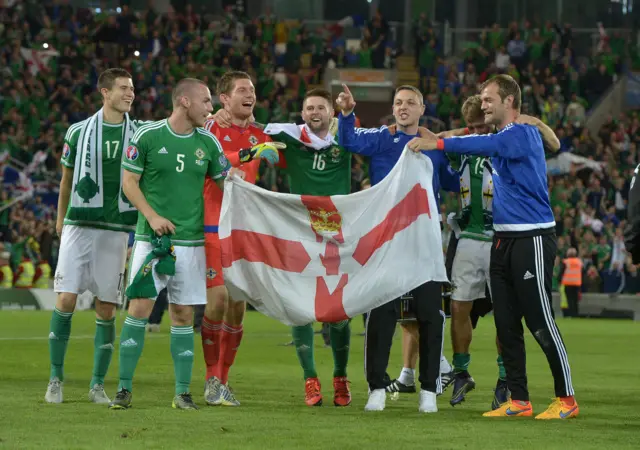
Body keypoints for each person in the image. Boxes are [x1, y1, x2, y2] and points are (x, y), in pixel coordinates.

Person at [406, 74, 579, 419]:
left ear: (509, 102)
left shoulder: (521, 134)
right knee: (507, 323)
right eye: (482, 100)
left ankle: (567, 399)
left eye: (488, 99)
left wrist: (439, 144)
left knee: (540, 320)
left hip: (532, 236)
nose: (483, 104)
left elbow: (481, 145)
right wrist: (440, 138)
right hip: (502, 237)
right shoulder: (501, 135)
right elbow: (476, 138)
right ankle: (519, 398)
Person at [211, 88, 354, 408]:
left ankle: (340, 376)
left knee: (339, 313)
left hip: (336, 235)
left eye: (321, 107)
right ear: (302, 114)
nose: (315, 112)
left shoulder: (347, 139)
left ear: (331, 113)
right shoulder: (288, 136)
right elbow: (245, 125)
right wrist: (215, 115)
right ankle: (310, 379)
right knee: (299, 307)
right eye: (309, 107)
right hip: (298, 233)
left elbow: (383, 139)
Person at [108, 78, 233, 410]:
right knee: (139, 309)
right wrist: (151, 217)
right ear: (185, 102)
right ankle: (123, 389)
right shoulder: (148, 135)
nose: (211, 108)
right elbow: (129, 183)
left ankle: (182, 393)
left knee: (182, 314)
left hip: (191, 244)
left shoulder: (208, 143)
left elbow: (229, 186)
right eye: (206, 101)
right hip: (152, 241)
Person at [337, 84, 459, 413]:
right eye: (398, 102)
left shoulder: (433, 145)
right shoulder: (380, 138)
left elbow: (450, 181)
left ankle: (429, 392)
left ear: (422, 109)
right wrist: (347, 114)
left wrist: (456, 149)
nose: (403, 107)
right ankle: (377, 387)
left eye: (410, 103)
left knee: (431, 315)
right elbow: (347, 140)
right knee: (381, 313)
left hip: (425, 239)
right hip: (386, 238)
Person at [46, 68, 141, 405]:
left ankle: (97, 384)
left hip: (116, 229)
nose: (130, 94)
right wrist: (60, 220)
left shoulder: (140, 133)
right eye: (123, 89)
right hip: (79, 224)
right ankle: (56, 377)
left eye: (132, 89)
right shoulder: (78, 131)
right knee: (66, 298)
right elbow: (66, 181)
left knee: (106, 307)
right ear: (104, 92)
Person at [199, 71, 279, 407]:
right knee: (217, 302)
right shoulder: (209, 130)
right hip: (212, 226)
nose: (250, 95)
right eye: (242, 90)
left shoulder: (262, 134)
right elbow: (207, 164)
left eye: (253, 90)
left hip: (243, 231)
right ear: (223, 98)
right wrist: (243, 157)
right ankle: (209, 379)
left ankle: (223, 380)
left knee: (236, 309)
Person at [559, 248, 582, 317]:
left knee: (569, 299)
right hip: (577, 284)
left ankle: (571, 314)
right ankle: (575, 314)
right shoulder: (579, 262)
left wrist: (559, 280)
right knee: (575, 300)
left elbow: (561, 272)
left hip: (567, 283)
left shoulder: (565, 262)